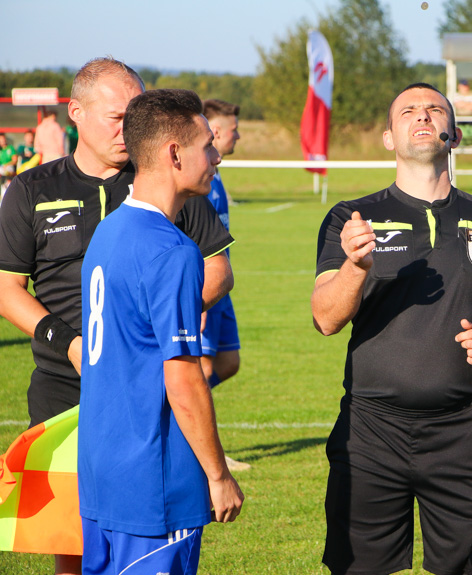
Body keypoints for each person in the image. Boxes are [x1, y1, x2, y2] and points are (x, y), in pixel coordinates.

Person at [0, 57, 233, 575]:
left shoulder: (158, 185)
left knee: (106, 539)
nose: (128, 129)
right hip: (67, 385)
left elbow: (218, 269)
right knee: (75, 539)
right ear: (75, 113)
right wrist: (70, 342)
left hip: (137, 380)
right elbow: (6, 288)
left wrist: (156, 314)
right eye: (116, 117)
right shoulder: (32, 189)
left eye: (137, 115)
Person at [312, 82, 472, 575]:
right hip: (369, 432)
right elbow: (325, 318)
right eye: (408, 111)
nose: (422, 116)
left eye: (434, 109)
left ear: (453, 133)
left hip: (461, 433)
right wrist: (355, 265)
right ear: (389, 138)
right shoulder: (350, 218)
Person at [80, 88, 243, 575]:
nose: (216, 156)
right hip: (154, 485)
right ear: (175, 153)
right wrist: (218, 475)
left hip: (101, 475)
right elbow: (183, 377)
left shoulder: (108, 230)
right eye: (207, 145)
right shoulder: (172, 251)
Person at [200, 99, 249, 472]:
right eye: (234, 129)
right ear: (215, 133)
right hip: (204, 289)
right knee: (198, 369)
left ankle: (172, 406)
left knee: (227, 362)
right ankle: (205, 451)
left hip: (222, 289)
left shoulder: (216, 174)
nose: (239, 135)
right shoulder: (198, 180)